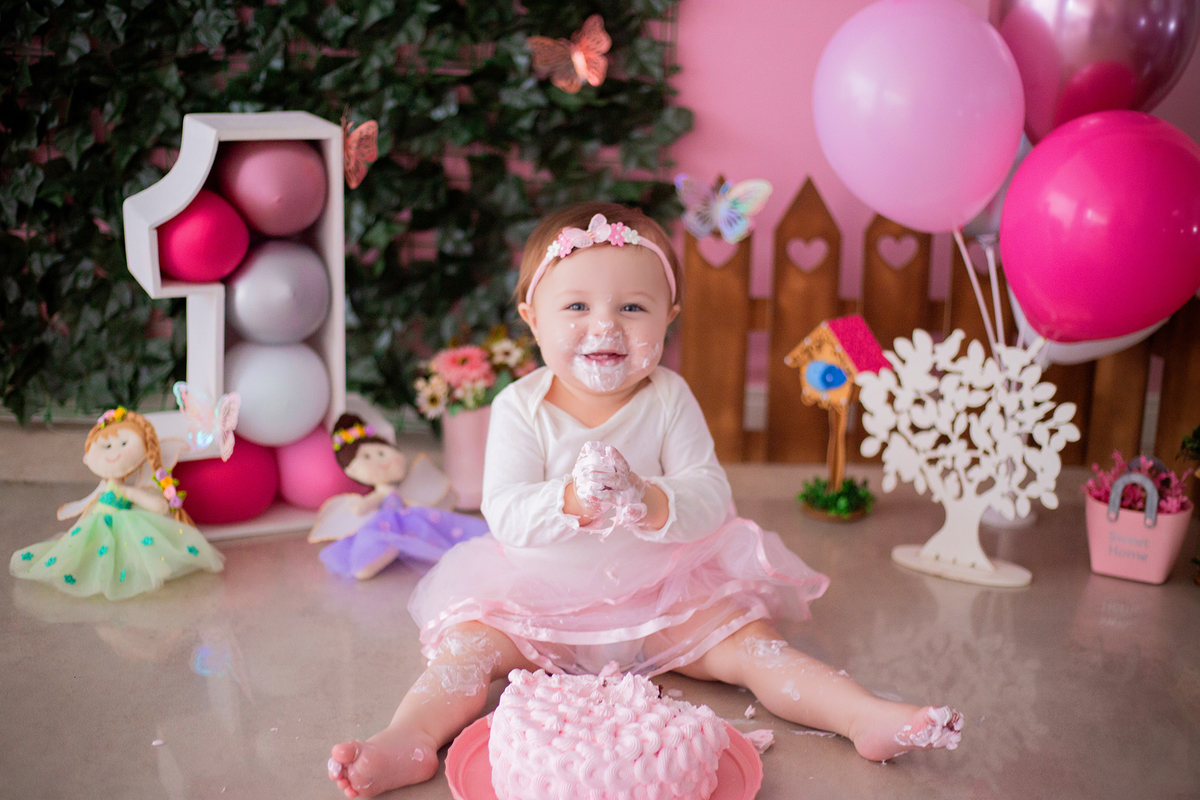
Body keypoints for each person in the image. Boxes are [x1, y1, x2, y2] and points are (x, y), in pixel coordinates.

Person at [327, 202, 963, 798]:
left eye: (633, 307)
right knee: (465, 656)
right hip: (537, 597)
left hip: (664, 590)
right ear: (531, 318)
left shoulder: (668, 398)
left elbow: (711, 495)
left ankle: (863, 716)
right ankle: (407, 740)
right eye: (576, 304)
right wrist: (570, 500)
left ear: (669, 317)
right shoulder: (519, 407)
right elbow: (505, 511)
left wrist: (649, 499)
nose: (605, 324)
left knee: (756, 649)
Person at [10, 407, 224, 600]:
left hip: (127, 523)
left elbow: (157, 506)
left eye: (122, 444)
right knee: (89, 550)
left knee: (128, 551)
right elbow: (88, 508)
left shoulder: (126, 490)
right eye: (107, 446)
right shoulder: (102, 489)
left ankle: (148, 570)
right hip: (96, 523)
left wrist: (156, 503)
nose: (114, 452)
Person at [312, 413, 489, 580]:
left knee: (436, 531)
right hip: (386, 523)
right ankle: (378, 557)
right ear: (351, 469)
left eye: (382, 453)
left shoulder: (401, 492)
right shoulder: (380, 496)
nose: (382, 461)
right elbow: (361, 508)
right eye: (367, 456)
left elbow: (412, 502)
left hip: (410, 517)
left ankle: (443, 552)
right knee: (379, 540)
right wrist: (365, 505)